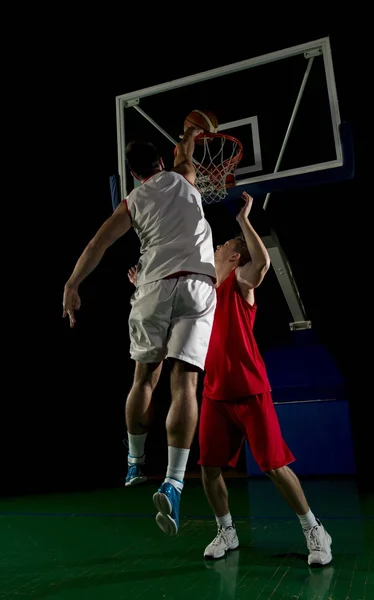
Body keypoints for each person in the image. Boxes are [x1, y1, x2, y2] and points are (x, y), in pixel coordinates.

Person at [63, 126, 217, 537]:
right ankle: (176, 480)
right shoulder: (184, 175)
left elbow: (97, 244)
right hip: (198, 284)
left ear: (132, 175)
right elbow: (186, 146)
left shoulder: (131, 202)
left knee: (144, 377)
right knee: (185, 385)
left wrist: (72, 285)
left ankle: (134, 464)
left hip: (151, 286)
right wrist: (194, 130)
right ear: (162, 163)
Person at [198, 191, 332, 566]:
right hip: (214, 394)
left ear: (235, 256)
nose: (218, 246)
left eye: (223, 245)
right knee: (209, 470)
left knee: (275, 467)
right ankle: (227, 530)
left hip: (249, 391)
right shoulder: (205, 294)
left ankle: (314, 530)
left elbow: (263, 262)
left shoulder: (241, 283)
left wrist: (243, 220)